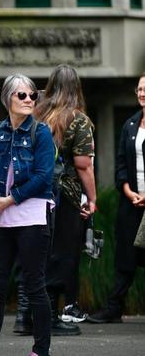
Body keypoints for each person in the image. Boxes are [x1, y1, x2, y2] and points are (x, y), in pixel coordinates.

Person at [14, 65, 96, 336]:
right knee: (61, 256)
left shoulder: (35, 112)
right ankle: (47, 317)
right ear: (77, 88)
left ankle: (25, 317)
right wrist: (92, 199)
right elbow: (83, 165)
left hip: (32, 193)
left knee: (37, 254)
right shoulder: (78, 119)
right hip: (63, 196)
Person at [0, 74, 54, 356]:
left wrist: (10, 200)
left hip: (31, 216)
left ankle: (40, 350)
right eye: (22, 95)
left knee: (34, 285)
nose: (29, 100)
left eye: (33, 95)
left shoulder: (41, 132)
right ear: (7, 98)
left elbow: (44, 178)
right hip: (1, 216)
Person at [87, 72, 145, 324]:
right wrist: (128, 190)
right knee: (125, 256)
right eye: (139, 89)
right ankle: (114, 308)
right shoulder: (130, 124)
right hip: (132, 202)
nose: (142, 93)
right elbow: (121, 164)